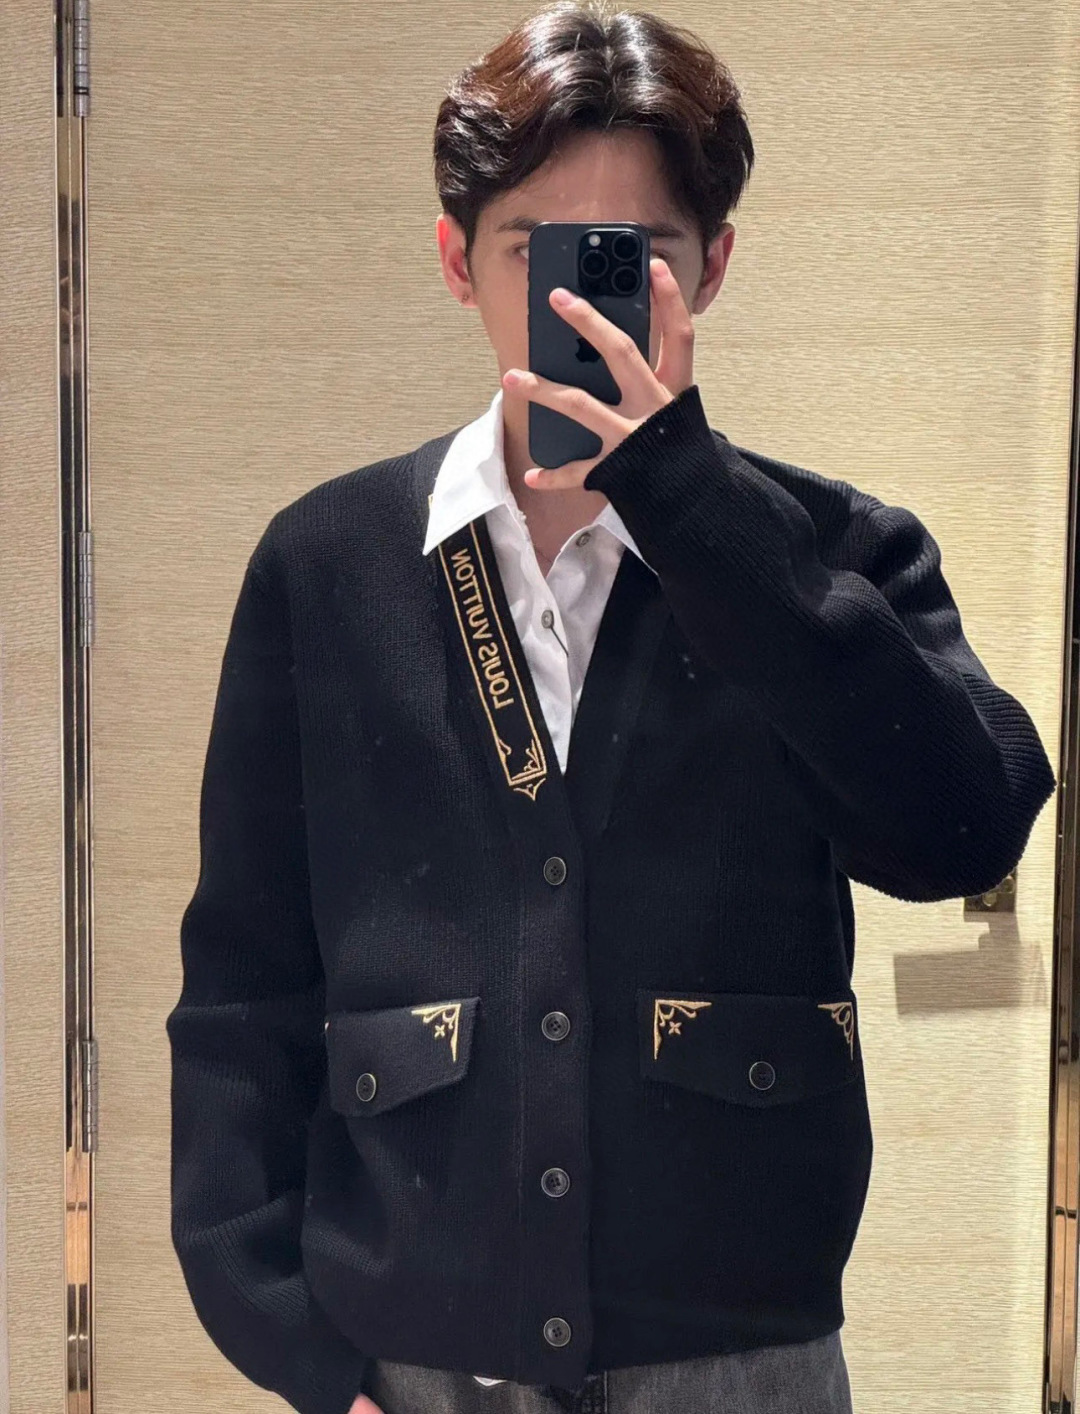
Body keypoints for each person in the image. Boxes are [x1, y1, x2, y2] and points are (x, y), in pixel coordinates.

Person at [165, 4, 1058, 1414]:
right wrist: (299, 1347)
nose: (583, 301)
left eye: (633, 257)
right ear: (457, 259)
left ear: (713, 268)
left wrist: (692, 503)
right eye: (537, 251)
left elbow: (962, 825)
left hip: (742, 1362)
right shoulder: (325, 565)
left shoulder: (832, 551)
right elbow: (242, 982)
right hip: (411, 1366)